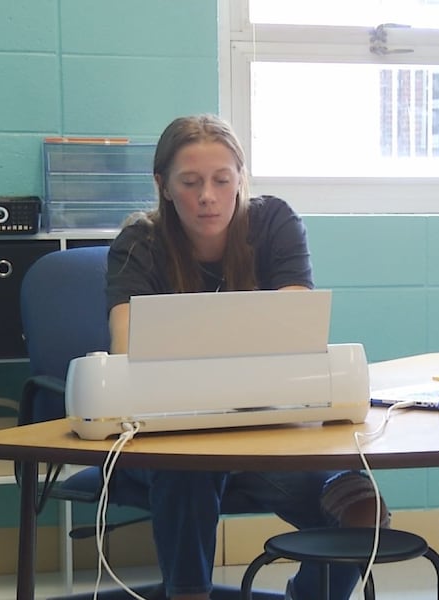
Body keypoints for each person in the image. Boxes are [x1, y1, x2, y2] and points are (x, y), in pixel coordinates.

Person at [104, 114, 387, 600]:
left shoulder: (274, 222)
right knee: (186, 472)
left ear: (241, 178)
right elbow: (127, 346)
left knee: (363, 506)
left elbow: (298, 330)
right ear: (164, 186)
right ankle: (188, 593)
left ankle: (312, 595)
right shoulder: (140, 243)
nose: (207, 196)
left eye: (221, 180)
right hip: (170, 438)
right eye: (190, 183)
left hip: (264, 430)